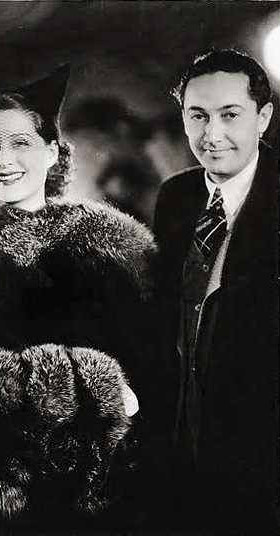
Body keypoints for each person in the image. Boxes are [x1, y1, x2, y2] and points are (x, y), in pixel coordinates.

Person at [0, 64, 158, 534]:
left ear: (52, 152)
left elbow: (140, 375)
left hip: (83, 488)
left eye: (21, 143)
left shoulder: (106, 248)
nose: (3, 159)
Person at [152, 49, 278, 534]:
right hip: (185, 445)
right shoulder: (175, 198)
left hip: (261, 457)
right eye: (197, 116)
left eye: (230, 115)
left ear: (263, 118)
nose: (212, 135)